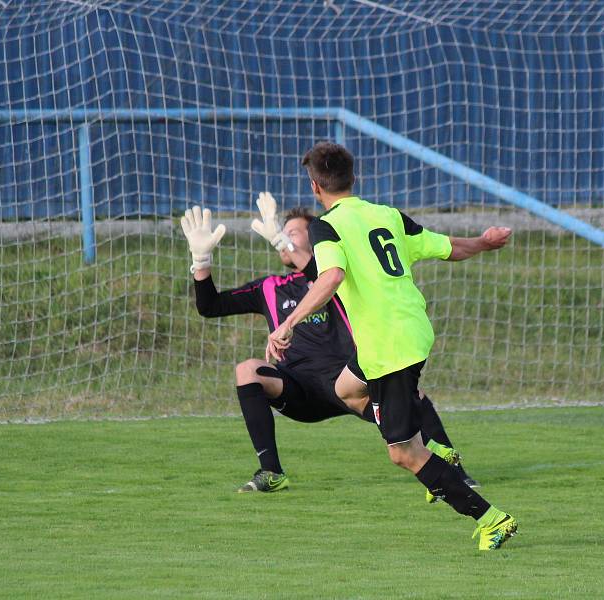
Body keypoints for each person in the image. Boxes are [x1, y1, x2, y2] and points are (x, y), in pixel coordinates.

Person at [266, 142, 517, 550]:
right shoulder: (387, 216)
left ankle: (491, 518)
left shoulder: (325, 227)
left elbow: (329, 277)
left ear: (315, 186)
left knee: (403, 454)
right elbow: (446, 247)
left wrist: (287, 324)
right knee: (345, 389)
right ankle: (434, 447)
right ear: (354, 178)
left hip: (388, 347)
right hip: (408, 332)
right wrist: (484, 243)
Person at [180, 196, 477, 496]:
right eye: (286, 231)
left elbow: (318, 273)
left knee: (414, 396)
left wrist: (283, 242)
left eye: (296, 232)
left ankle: (456, 472)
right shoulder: (269, 287)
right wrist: (200, 262)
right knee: (247, 370)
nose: (287, 235)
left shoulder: (333, 277)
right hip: (299, 390)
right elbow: (210, 306)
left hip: (348, 384)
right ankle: (271, 471)